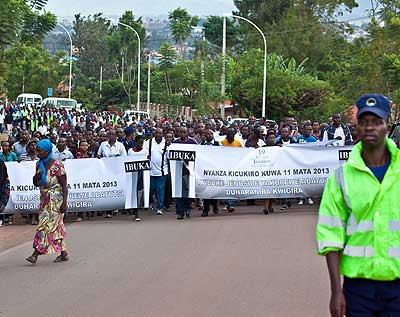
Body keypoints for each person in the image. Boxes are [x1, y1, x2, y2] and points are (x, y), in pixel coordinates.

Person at [316, 94, 400, 317]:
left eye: (376, 122)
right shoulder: (340, 178)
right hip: (358, 289)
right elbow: (331, 236)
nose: (369, 128)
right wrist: (336, 291)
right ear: (356, 128)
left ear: (387, 127)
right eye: (363, 123)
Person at [26, 139, 69, 264]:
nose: (37, 153)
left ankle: (35, 253)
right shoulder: (39, 165)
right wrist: (36, 178)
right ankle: (63, 252)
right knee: (56, 227)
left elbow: (64, 185)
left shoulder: (57, 165)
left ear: (47, 151)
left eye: (40, 151)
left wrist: (65, 203)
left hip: (56, 200)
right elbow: (35, 183)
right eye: (37, 151)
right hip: (44, 199)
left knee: (45, 226)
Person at [144, 128, 169, 215]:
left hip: (162, 171)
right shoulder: (148, 143)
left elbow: (169, 157)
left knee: (160, 189)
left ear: (162, 134)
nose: (158, 134)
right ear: (154, 134)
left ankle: (159, 207)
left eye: (160, 133)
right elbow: (144, 153)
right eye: (156, 133)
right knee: (151, 189)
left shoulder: (166, 144)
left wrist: (169, 170)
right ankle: (150, 202)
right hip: (150, 171)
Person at [200, 129, 219, 217]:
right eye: (207, 134)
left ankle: (215, 206)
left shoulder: (218, 144)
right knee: (205, 191)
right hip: (204, 171)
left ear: (213, 135)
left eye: (210, 134)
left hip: (215, 170)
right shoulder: (201, 145)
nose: (208, 136)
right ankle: (205, 209)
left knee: (214, 190)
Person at [0, 158, 10, 227]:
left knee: (1, 205)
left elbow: (4, 178)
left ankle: (1, 219)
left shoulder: (1, 163)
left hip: (2, 185)